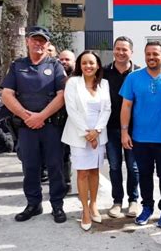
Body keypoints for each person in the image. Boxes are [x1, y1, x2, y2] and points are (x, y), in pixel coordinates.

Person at [0, 26, 67, 223]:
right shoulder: (17, 65)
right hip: (26, 127)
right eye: (35, 40)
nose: (39, 44)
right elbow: (6, 94)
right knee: (30, 166)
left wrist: (41, 116)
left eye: (43, 41)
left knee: (55, 166)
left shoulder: (55, 65)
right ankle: (33, 204)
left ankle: (57, 205)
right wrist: (27, 116)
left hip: (50, 127)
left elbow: (62, 95)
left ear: (48, 45)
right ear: (27, 41)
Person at [119, 41, 161, 228]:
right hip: (140, 138)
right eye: (148, 54)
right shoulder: (133, 78)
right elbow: (126, 106)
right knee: (144, 175)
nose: (151, 57)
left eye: (155, 54)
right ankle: (147, 207)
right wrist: (125, 132)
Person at [61, 50, 111, 231]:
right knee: (82, 173)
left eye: (91, 63)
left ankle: (94, 204)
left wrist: (96, 131)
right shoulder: (73, 83)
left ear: (98, 65)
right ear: (79, 66)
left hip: (98, 134)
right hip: (78, 135)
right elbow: (71, 110)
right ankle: (84, 210)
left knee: (95, 171)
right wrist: (87, 133)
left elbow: (107, 109)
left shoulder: (104, 84)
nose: (88, 66)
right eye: (84, 63)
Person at [103, 36, 141, 219]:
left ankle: (134, 200)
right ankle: (117, 201)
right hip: (110, 128)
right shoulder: (102, 73)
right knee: (115, 166)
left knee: (133, 167)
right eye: (118, 49)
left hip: (134, 129)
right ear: (113, 50)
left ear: (131, 52)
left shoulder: (139, 73)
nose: (120, 52)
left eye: (125, 49)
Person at [58, 50, 76, 188]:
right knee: (62, 154)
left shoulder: (80, 77)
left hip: (78, 123)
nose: (63, 62)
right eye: (61, 59)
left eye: (67, 59)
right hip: (60, 121)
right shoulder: (55, 76)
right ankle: (65, 183)